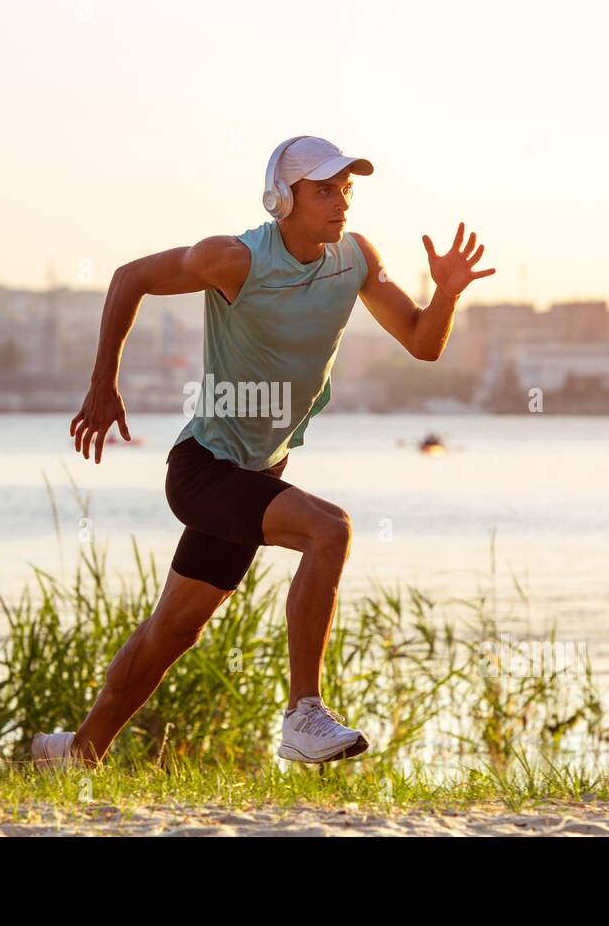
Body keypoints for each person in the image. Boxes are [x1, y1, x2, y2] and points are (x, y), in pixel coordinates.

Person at [32, 135, 496, 769]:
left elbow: (422, 342)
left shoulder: (355, 258)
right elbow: (129, 277)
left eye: (346, 190)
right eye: (325, 191)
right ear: (285, 198)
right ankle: (303, 713)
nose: (340, 203)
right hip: (203, 469)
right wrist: (102, 382)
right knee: (329, 530)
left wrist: (445, 294)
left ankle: (77, 751)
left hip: (256, 471)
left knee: (174, 631)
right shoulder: (235, 260)